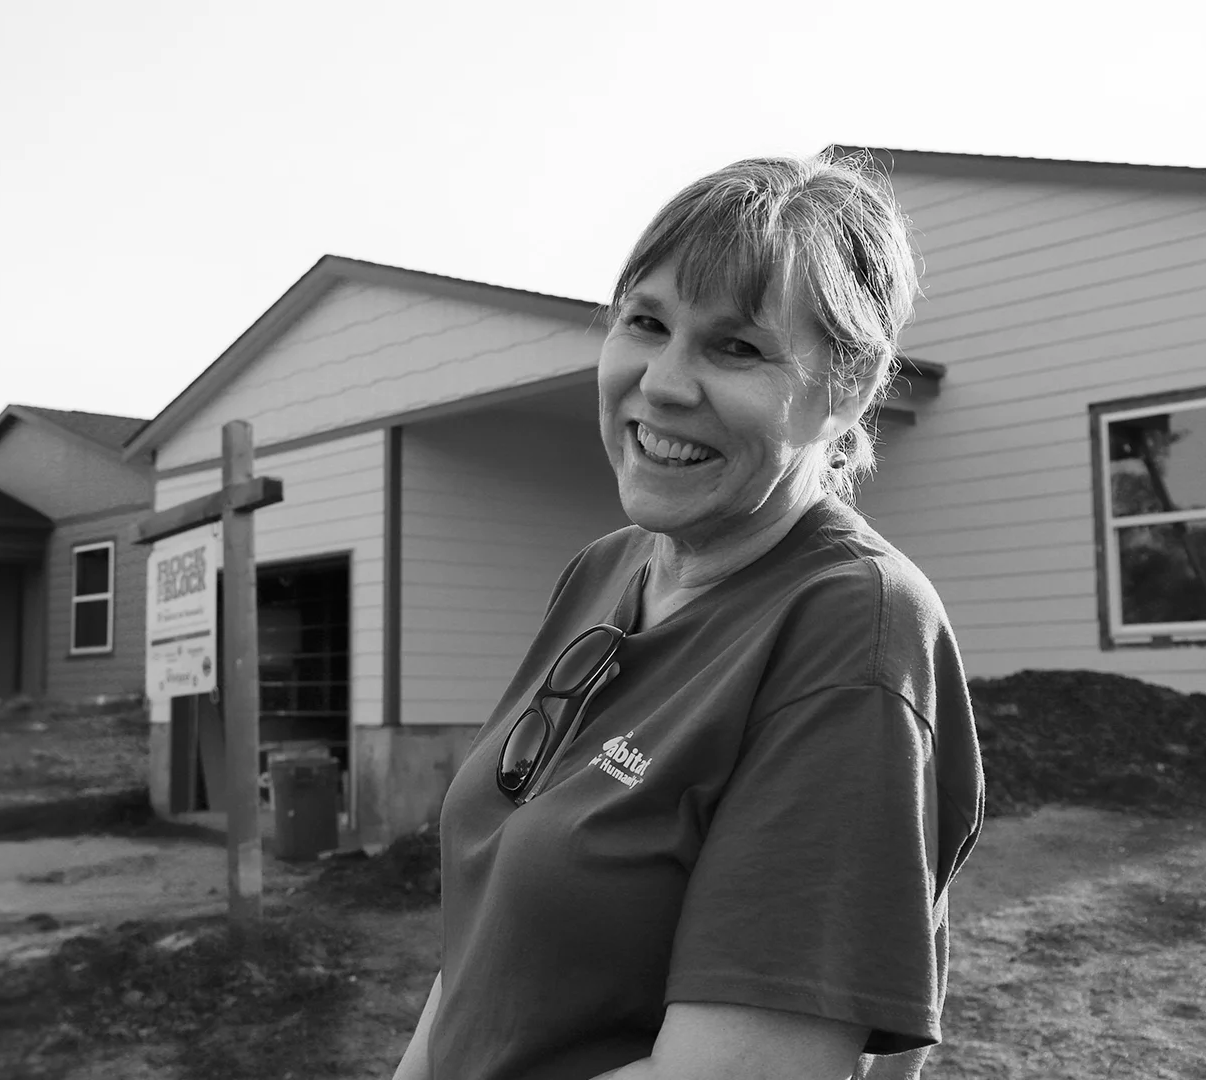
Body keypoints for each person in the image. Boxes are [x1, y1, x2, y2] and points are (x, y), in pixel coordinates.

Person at [391, 153, 986, 1080]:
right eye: (646, 323)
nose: (663, 384)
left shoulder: (850, 627)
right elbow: (482, 953)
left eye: (736, 347)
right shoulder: (604, 571)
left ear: (851, 387)